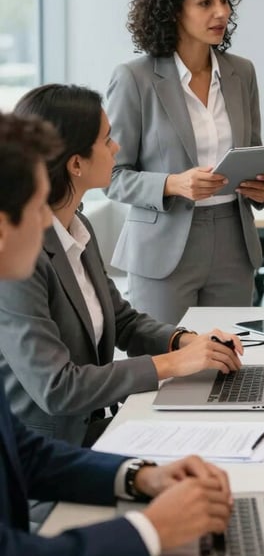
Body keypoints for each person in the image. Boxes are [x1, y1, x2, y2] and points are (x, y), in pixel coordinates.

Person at [0, 111, 233, 556]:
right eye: (38, 207)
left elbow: (25, 454)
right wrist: (150, 531)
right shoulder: (22, 274)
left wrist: (140, 478)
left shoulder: (74, 229)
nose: (46, 224)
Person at [0, 84, 243, 449]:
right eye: (107, 139)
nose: (116, 148)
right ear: (76, 163)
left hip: (99, 428)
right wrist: (173, 364)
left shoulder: (78, 229)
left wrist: (185, 341)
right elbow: (58, 388)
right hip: (51, 454)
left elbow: (123, 320)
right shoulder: (20, 260)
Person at [105, 0, 264, 324]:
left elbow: (253, 154)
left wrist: (260, 188)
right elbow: (112, 176)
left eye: (225, 0)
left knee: (229, 362)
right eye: (205, 2)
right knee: (167, 366)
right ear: (174, 9)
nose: (222, 12)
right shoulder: (135, 78)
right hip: (163, 246)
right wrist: (173, 184)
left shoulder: (241, 73)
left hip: (234, 240)